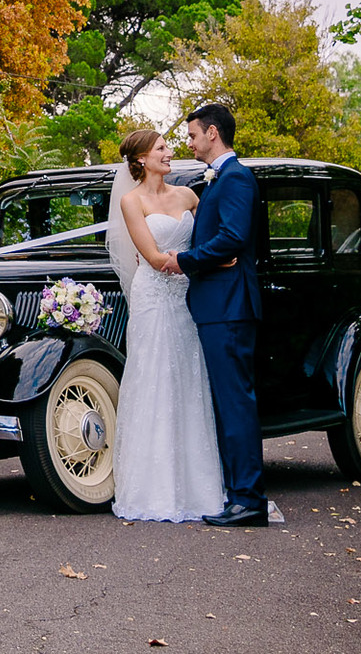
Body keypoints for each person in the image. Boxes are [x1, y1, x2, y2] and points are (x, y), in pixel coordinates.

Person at [104, 126, 227, 522]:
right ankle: (153, 488)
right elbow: (154, 259)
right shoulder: (130, 201)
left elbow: (210, 241)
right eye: (161, 148)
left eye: (168, 146)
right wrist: (185, 262)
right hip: (154, 297)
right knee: (154, 378)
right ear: (141, 159)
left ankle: (197, 487)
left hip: (187, 296)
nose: (169, 151)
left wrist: (214, 260)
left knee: (188, 380)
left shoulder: (190, 195)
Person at [166, 101, 267, 527]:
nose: (188, 142)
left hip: (228, 306)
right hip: (216, 304)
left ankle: (249, 500)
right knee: (227, 404)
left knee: (235, 403)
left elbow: (232, 237)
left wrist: (186, 260)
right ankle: (236, 493)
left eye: (192, 135)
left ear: (212, 133)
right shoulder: (218, 179)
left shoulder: (236, 178)